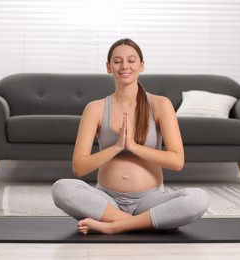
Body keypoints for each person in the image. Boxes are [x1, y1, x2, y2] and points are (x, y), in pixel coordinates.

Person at [51, 38, 210, 235]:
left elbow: (177, 161)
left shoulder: (160, 105)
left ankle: (114, 226)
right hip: (106, 200)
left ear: (142, 65)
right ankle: (143, 223)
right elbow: (79, 167)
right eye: (117, 61)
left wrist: (134, 146)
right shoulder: (95, 108)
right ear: (109, 67)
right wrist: (117, 147)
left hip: (150, 200)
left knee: (198, 199)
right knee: (61, 189)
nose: (124, 66)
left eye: (132, 60)